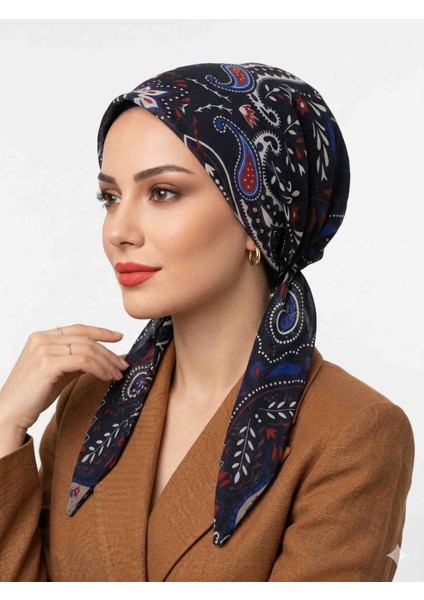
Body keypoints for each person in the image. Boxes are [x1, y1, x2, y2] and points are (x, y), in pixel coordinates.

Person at [0, 62, 414, 582]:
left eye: (162, 193)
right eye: (110, 197)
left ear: (257, 217)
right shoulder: (86, 401)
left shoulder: (353, 431)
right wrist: (4, 426)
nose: (119, 231)